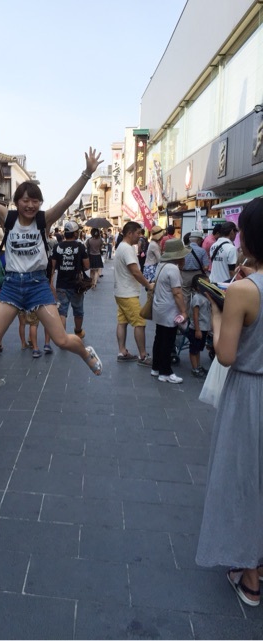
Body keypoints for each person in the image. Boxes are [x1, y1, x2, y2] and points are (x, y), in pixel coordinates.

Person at [0, 147, 104, 393]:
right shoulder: (7, 218)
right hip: (11, 287)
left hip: (38, 285)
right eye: (25, 200)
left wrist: (87, 173)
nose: (30, 205)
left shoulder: (44, 220)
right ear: (17, 202)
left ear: (40, 203)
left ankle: (84, 351)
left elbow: (66, 200)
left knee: (61, 340)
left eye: (34, 201)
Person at [196, 197, 263, 607]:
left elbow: (225, 354)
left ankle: (251, 576)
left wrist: (219, 311)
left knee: (244, 479)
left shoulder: (242, 289)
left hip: (250, 393)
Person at [113, 221, 154, 365]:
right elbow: (135, 271)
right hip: (128, 293)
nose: (140, 236)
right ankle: (143, 356)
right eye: (137, 233)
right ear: (130, 233)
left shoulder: (121, 247)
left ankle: (122, 351)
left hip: (121, 292)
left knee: (122, 322)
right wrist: (148, 285)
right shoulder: (127, 249)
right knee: (140, 323)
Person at [150, 239, 189, 383]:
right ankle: (165, 372)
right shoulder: (173, 269)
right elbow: (177, 293)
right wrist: (184, 312)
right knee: (168, 340)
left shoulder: (161, 265)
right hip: (169, 310)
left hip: (159, 307)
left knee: (159, 338)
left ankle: (156, 367)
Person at [51, 220, 89, 339]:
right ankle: (78, 331)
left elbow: (52, 266)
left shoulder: (57, 247)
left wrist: (50, 282)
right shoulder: (80, 246)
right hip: (77, 284)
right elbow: (87, 265)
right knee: (78, 310)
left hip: (61, 284)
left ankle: (63, 336)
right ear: (75, 233)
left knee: (62, 311)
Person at [188, 274, 211, 378]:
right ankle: (194, 368)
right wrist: (197, 329)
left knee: (198, 349)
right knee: (194, 349)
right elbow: (195, 314)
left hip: (204, 328)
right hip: (197, 328)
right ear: (198, 287)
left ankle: (198, 365)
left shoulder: (205, 297)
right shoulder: (197, 298)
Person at [180, 230, 210, 309]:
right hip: (198, 275)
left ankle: (186, 317)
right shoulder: (202, 251)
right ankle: (195, 316)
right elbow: (206, 267)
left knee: (186, 297)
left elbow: (178, 265)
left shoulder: (182, 250)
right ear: (199, 240)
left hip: (184, 275)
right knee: (197, 296)